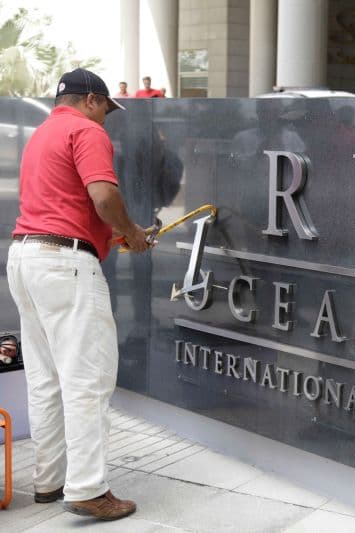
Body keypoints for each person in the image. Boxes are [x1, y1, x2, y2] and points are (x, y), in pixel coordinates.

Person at [5, 68, 152, 521]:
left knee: (45, 379)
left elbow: (63, 209)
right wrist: (131, 231)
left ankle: (48, 482)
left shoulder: (41, 135)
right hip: (64, 264)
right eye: (105, 108)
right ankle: (88, 488)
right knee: (88, 379)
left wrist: (113, 238)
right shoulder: (86, 131)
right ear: (90, 100)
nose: (106, 118)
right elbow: (104, 197)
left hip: (25, 258)